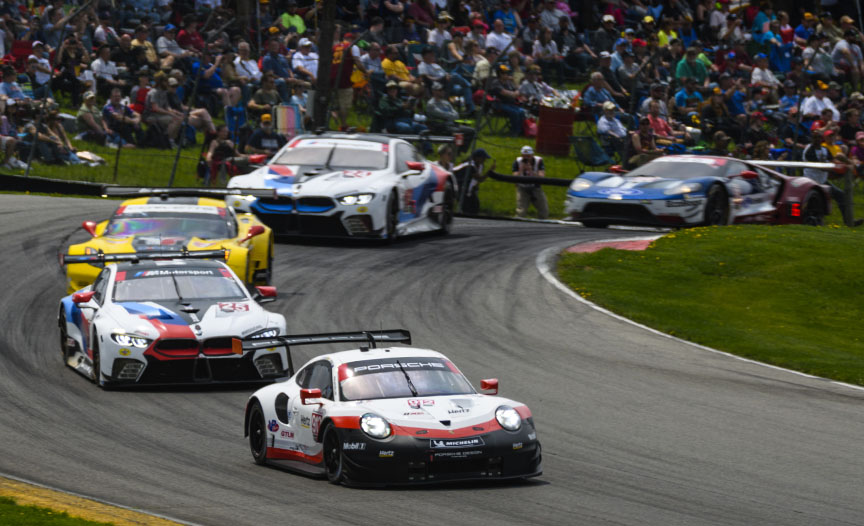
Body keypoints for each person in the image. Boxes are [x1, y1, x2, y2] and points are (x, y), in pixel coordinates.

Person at [425, 82, 475, 152]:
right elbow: (443, 115)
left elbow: (456, 114)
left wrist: (450, 116)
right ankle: (455, 152)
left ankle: (460, 150)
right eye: (440, 90)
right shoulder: (431, 104)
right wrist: (451, 116)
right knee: (458, 132)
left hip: (452, 125)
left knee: (471, 131)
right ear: (434, 91)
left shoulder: (446, 102)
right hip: (440, 128)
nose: (443, 91)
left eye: (443, 90)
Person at [144, 71, 183, 147]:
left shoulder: (163, 92)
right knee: (175, 120)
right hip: (151, 116)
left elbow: (167, 106)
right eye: (165, 81)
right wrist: (170, 113)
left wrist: (174, 112)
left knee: (179, 118)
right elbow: (155, 108)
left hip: (160, 115)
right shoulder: (153, 92)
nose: (167, 83)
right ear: (161, 82)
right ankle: (168, 140)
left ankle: (171, 139)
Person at [511, 145, 548, 219]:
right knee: (521, 211)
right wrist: (521, 169)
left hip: (535, 187)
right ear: (522, 155)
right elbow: (514, 177)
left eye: (528, 156)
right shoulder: (517, 161)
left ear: (532, 155)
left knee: (544, 210)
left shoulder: (538, 161)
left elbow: (542, 176)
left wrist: (531, 170)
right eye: (525, 156)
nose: (526, 158)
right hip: (522, 187)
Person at [489, 64, 525, 137]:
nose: (507, 75)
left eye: (507, 73)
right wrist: (515, 94)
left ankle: (519, 130)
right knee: (514, 112)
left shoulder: (508, 82)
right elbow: (505, 93)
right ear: (500, 74)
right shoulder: (496, 83)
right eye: (505, 73)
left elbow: (518, 90)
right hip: (498, 104)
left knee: (521, 111)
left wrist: (514, 82)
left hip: (510, 104)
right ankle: (514, 132)